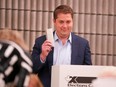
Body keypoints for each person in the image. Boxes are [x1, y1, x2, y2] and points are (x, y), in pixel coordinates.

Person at [32, 5, 92, 87]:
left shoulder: (83, 44)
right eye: (61, 22)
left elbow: (88, 73)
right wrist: (42, 56)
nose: (65, 26)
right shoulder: (41, 42)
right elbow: (32, 70)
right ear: (54, 21)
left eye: (68, 22)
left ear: (72, 21)